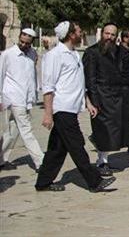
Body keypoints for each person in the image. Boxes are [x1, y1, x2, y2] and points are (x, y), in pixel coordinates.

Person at [35, 21, 115, 192]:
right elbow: (48, 87)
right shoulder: (55, 55)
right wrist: (48, 114)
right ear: (71, 34)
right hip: (62, 109)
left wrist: (88, 103)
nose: (82, 33)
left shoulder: (74, 54)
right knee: (77, 145)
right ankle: (94, 181)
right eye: (79, 31)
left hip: (72, 107)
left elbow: (78, 83)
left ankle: (43, 182)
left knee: (57, 149)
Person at [83, 22, 129, 176]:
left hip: (117, 97)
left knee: (114, 131)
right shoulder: (92, 52)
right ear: (102, 34)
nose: (109, 37)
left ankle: (103, 159)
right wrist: (93, 101)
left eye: (112, 34)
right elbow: (90, 78)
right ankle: (101, 162)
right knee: (103, 130)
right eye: (107, 34)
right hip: (101, 96)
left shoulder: (119, 52)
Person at [0, 28, 44, 170]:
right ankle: (41, 162)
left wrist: (35, 95)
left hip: (26, 98)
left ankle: (1, 158)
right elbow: (0, 76)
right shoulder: (7, 54)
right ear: (19, 38)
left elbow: (32, 76)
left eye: (27, 43)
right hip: (13, 97)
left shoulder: (32, 54)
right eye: (22, 42)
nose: (24, 45)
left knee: (13, 130)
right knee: (26, 130)